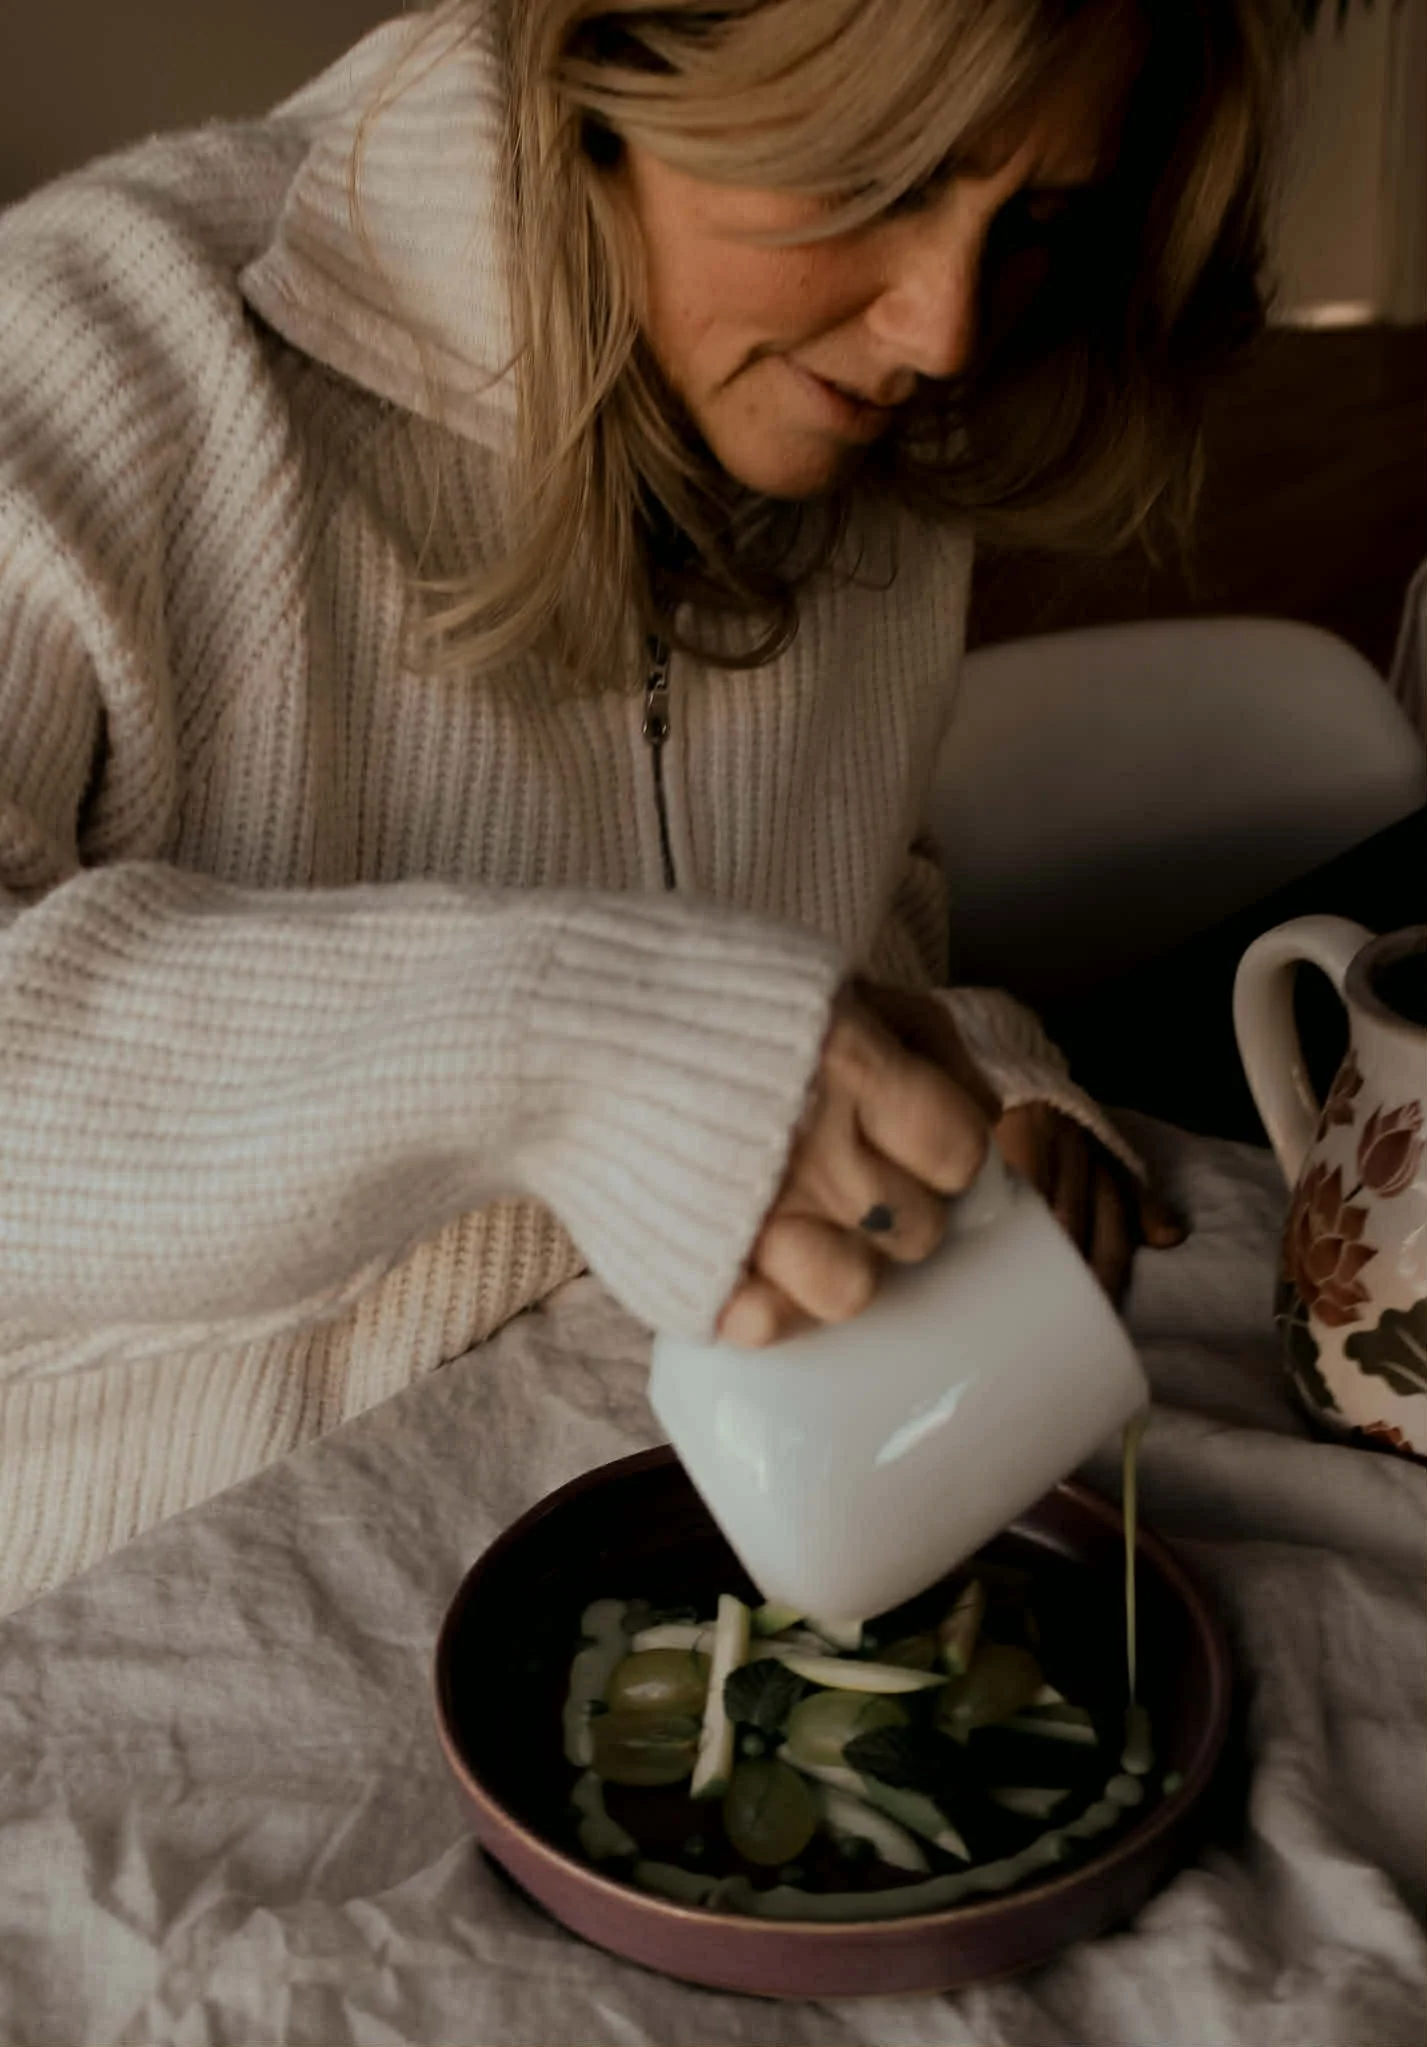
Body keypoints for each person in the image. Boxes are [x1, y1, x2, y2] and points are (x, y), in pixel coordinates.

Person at [0, 0, 1280, 1614]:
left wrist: (954, 1073)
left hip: (642, 1515)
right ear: (610, 57)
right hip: (141, 1599)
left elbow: (826, 905)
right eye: (874, 178)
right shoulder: (88, 346)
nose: (944, 326)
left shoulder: (864, 439)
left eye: (1031, 220)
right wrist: (567, 1033)